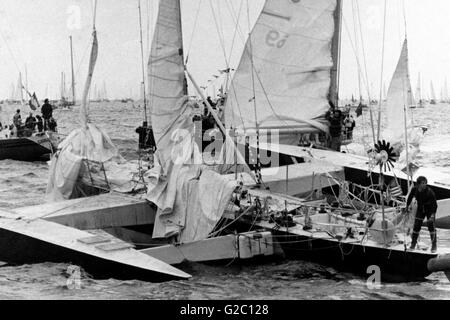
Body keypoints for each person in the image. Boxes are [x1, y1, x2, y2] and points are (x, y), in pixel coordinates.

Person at [405, 176, 438, 252]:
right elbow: (410, 197)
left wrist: (432, 215)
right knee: (416, 226)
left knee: (431, 226)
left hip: (430, 210)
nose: (425, 185)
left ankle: (434, 245)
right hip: (420, 208)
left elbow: (435, 205)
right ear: (418, 184)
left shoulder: (430, 192)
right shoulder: (415, 189)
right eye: (423, 183)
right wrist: (407, 206)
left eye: (425, 183)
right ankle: (413, 244)